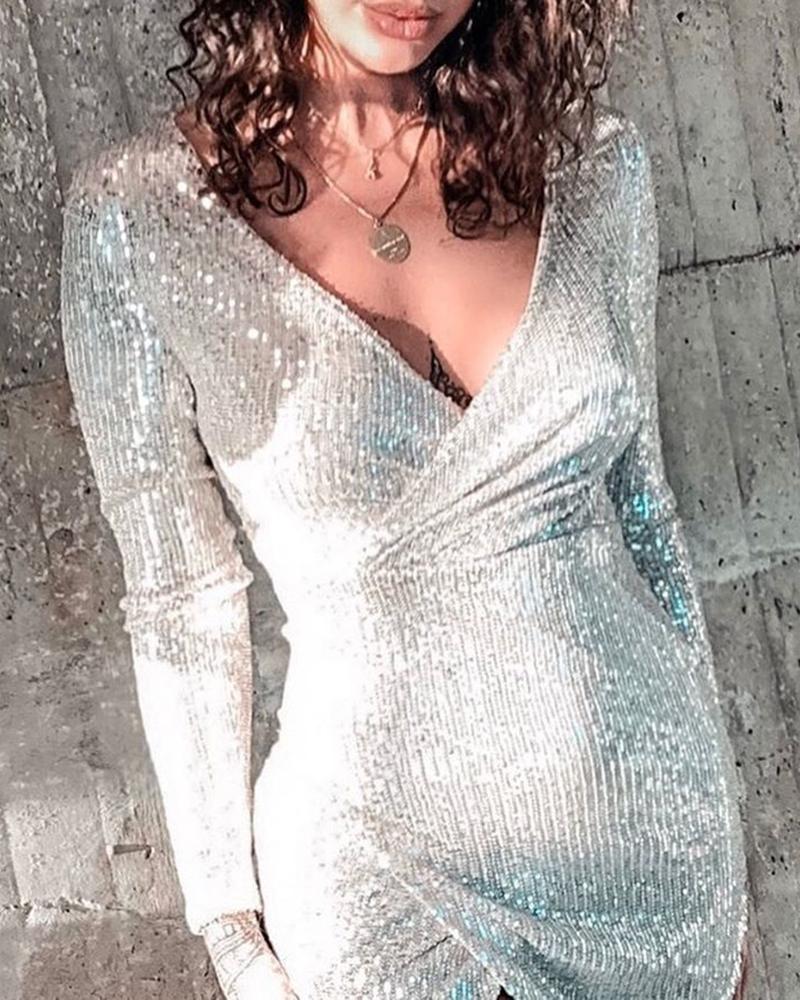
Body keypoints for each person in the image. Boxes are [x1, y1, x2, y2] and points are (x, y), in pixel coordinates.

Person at [59, 1, 751, 998]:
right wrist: (231, 935)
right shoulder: (139, 215)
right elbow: (181, 603)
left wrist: (723, 871)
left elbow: (644, 511)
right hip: (379, 889)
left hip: (650, 863)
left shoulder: (595, 166)